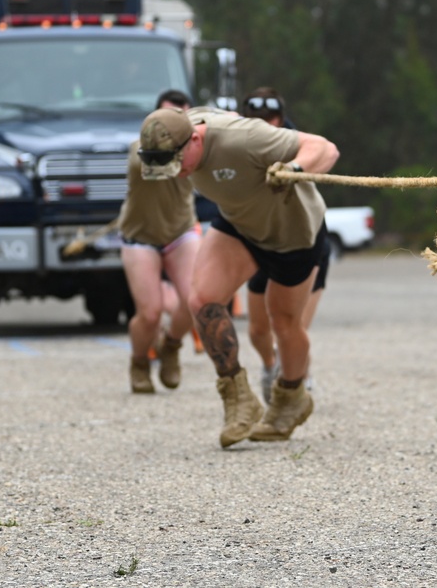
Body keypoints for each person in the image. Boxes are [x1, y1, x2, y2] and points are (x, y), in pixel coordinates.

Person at [136, 106, 339, 448]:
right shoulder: (180, 128)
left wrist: (294, 168)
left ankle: (292, 398)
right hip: (241, 226)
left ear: (196, 139)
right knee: (202, 298)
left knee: (285, 323)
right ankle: (238, 399)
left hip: (292, 232)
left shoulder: (243, 139)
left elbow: (324, 148)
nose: (177, 174)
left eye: (178, 164)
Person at [239, 87, 330, 403]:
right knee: (257, 331)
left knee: (291, 327)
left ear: (280, 118)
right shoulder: (239, 146)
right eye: (257, 118)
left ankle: (293, 379)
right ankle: (269, 367)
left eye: (271, 118)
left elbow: (326, 153)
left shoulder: (299, 144)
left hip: (305, 241)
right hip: (262, 241)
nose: (265, 123)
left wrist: (294, 169)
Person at [116, 91, 200, 394]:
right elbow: (155, 163)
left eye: (181, 119)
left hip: (180, 231)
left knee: (195, 301)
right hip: (141, 237)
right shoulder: (140, 151)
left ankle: (171, 347)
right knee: (149, 314)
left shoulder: (197, 149)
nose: (173, 126)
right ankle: (139, 362)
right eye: (167, 119)